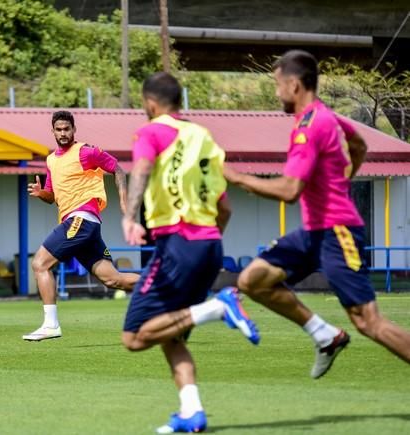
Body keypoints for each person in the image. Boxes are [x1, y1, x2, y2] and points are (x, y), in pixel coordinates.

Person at [223, 49, 410, 378]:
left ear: (294, 85)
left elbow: (290, 191)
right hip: (314, 231)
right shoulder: (327, 116)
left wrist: (236, 177)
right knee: (253, 279)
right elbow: (359, 146)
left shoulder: (309, 126)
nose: (276, 92)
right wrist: (339, 182)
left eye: (278, 84)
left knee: (369, 322)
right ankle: (325, 335)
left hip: (338, 231)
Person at [121, 72, 260, 434]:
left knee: (134, 336)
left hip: (177, 244)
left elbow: (142, 168)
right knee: (172, 334)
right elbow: (225, 207)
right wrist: (206, 242)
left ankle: (219, 306)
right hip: (210, 245)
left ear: (150, 103)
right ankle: (192, 413)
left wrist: (129, 216)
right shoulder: (203, 137)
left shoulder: (151, 132)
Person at [23, 110, 140, 341]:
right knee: (112, 279)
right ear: (53, 131)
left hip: (82, 218)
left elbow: (117, 169)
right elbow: (52, 197)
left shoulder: (86, 152)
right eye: (59, 129)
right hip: (79, 224)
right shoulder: (51, 160)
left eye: (67, 129)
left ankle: (51, 325)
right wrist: (42, 193)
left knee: (39, 264)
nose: (63, 133)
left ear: (74, 130)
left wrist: (125, 202)